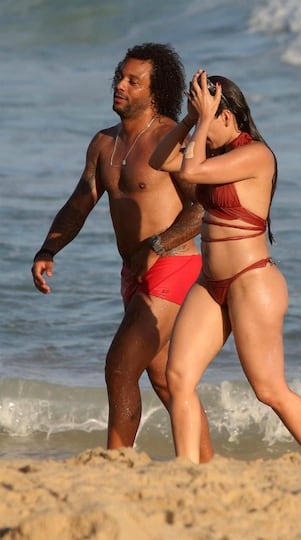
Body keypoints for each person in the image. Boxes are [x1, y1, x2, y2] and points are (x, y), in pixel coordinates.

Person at [31, 45, 213, 462]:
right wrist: (49, 247)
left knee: (120, 366)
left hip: (174, 265)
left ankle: (116, 463)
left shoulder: (170, 139)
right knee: (165, 378)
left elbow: (201, 207)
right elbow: (82, 200)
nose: (120, 85)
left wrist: (158, 245)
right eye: (120, 77)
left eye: (133, 81)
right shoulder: (104, 143)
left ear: (154, 92)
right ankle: (207, 464)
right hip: (133, 274)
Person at [150, 69, 301, 463]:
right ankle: (187, 472)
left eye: (207, 118)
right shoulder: (213, 153)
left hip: (252, 282)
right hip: (210, 283)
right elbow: (158, 159)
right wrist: (189, 120)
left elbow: (192, 172)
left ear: (226, 116)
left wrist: (200, 122)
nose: (201, 129)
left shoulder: (256, 155)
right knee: (178, 378)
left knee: (268, 389)